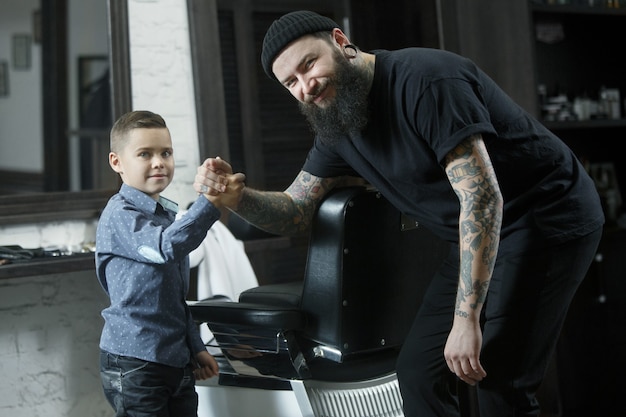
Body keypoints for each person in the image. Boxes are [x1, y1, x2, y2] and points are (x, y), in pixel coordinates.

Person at [194, 10, 605, 417]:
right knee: (418, 374)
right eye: (291, 82)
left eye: (309, 64)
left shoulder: (426, 81)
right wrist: (237, 197)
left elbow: (482, 200)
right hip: (473, 237)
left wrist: (466, 320)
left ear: (340, 41)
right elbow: (296, 210)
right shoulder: (338, 124)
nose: (307, 86)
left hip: (545, 218)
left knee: (499, 378)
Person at [95, 110, 244, 417]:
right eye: (144, 154)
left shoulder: (164, 216)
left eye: (166, 152)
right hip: (135, 364)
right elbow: (164, 248)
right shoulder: (119, 213)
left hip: (174, 359)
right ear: (116, 162)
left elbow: (173, 299)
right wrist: (210, 202)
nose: (159, 162)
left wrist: (195, 346)